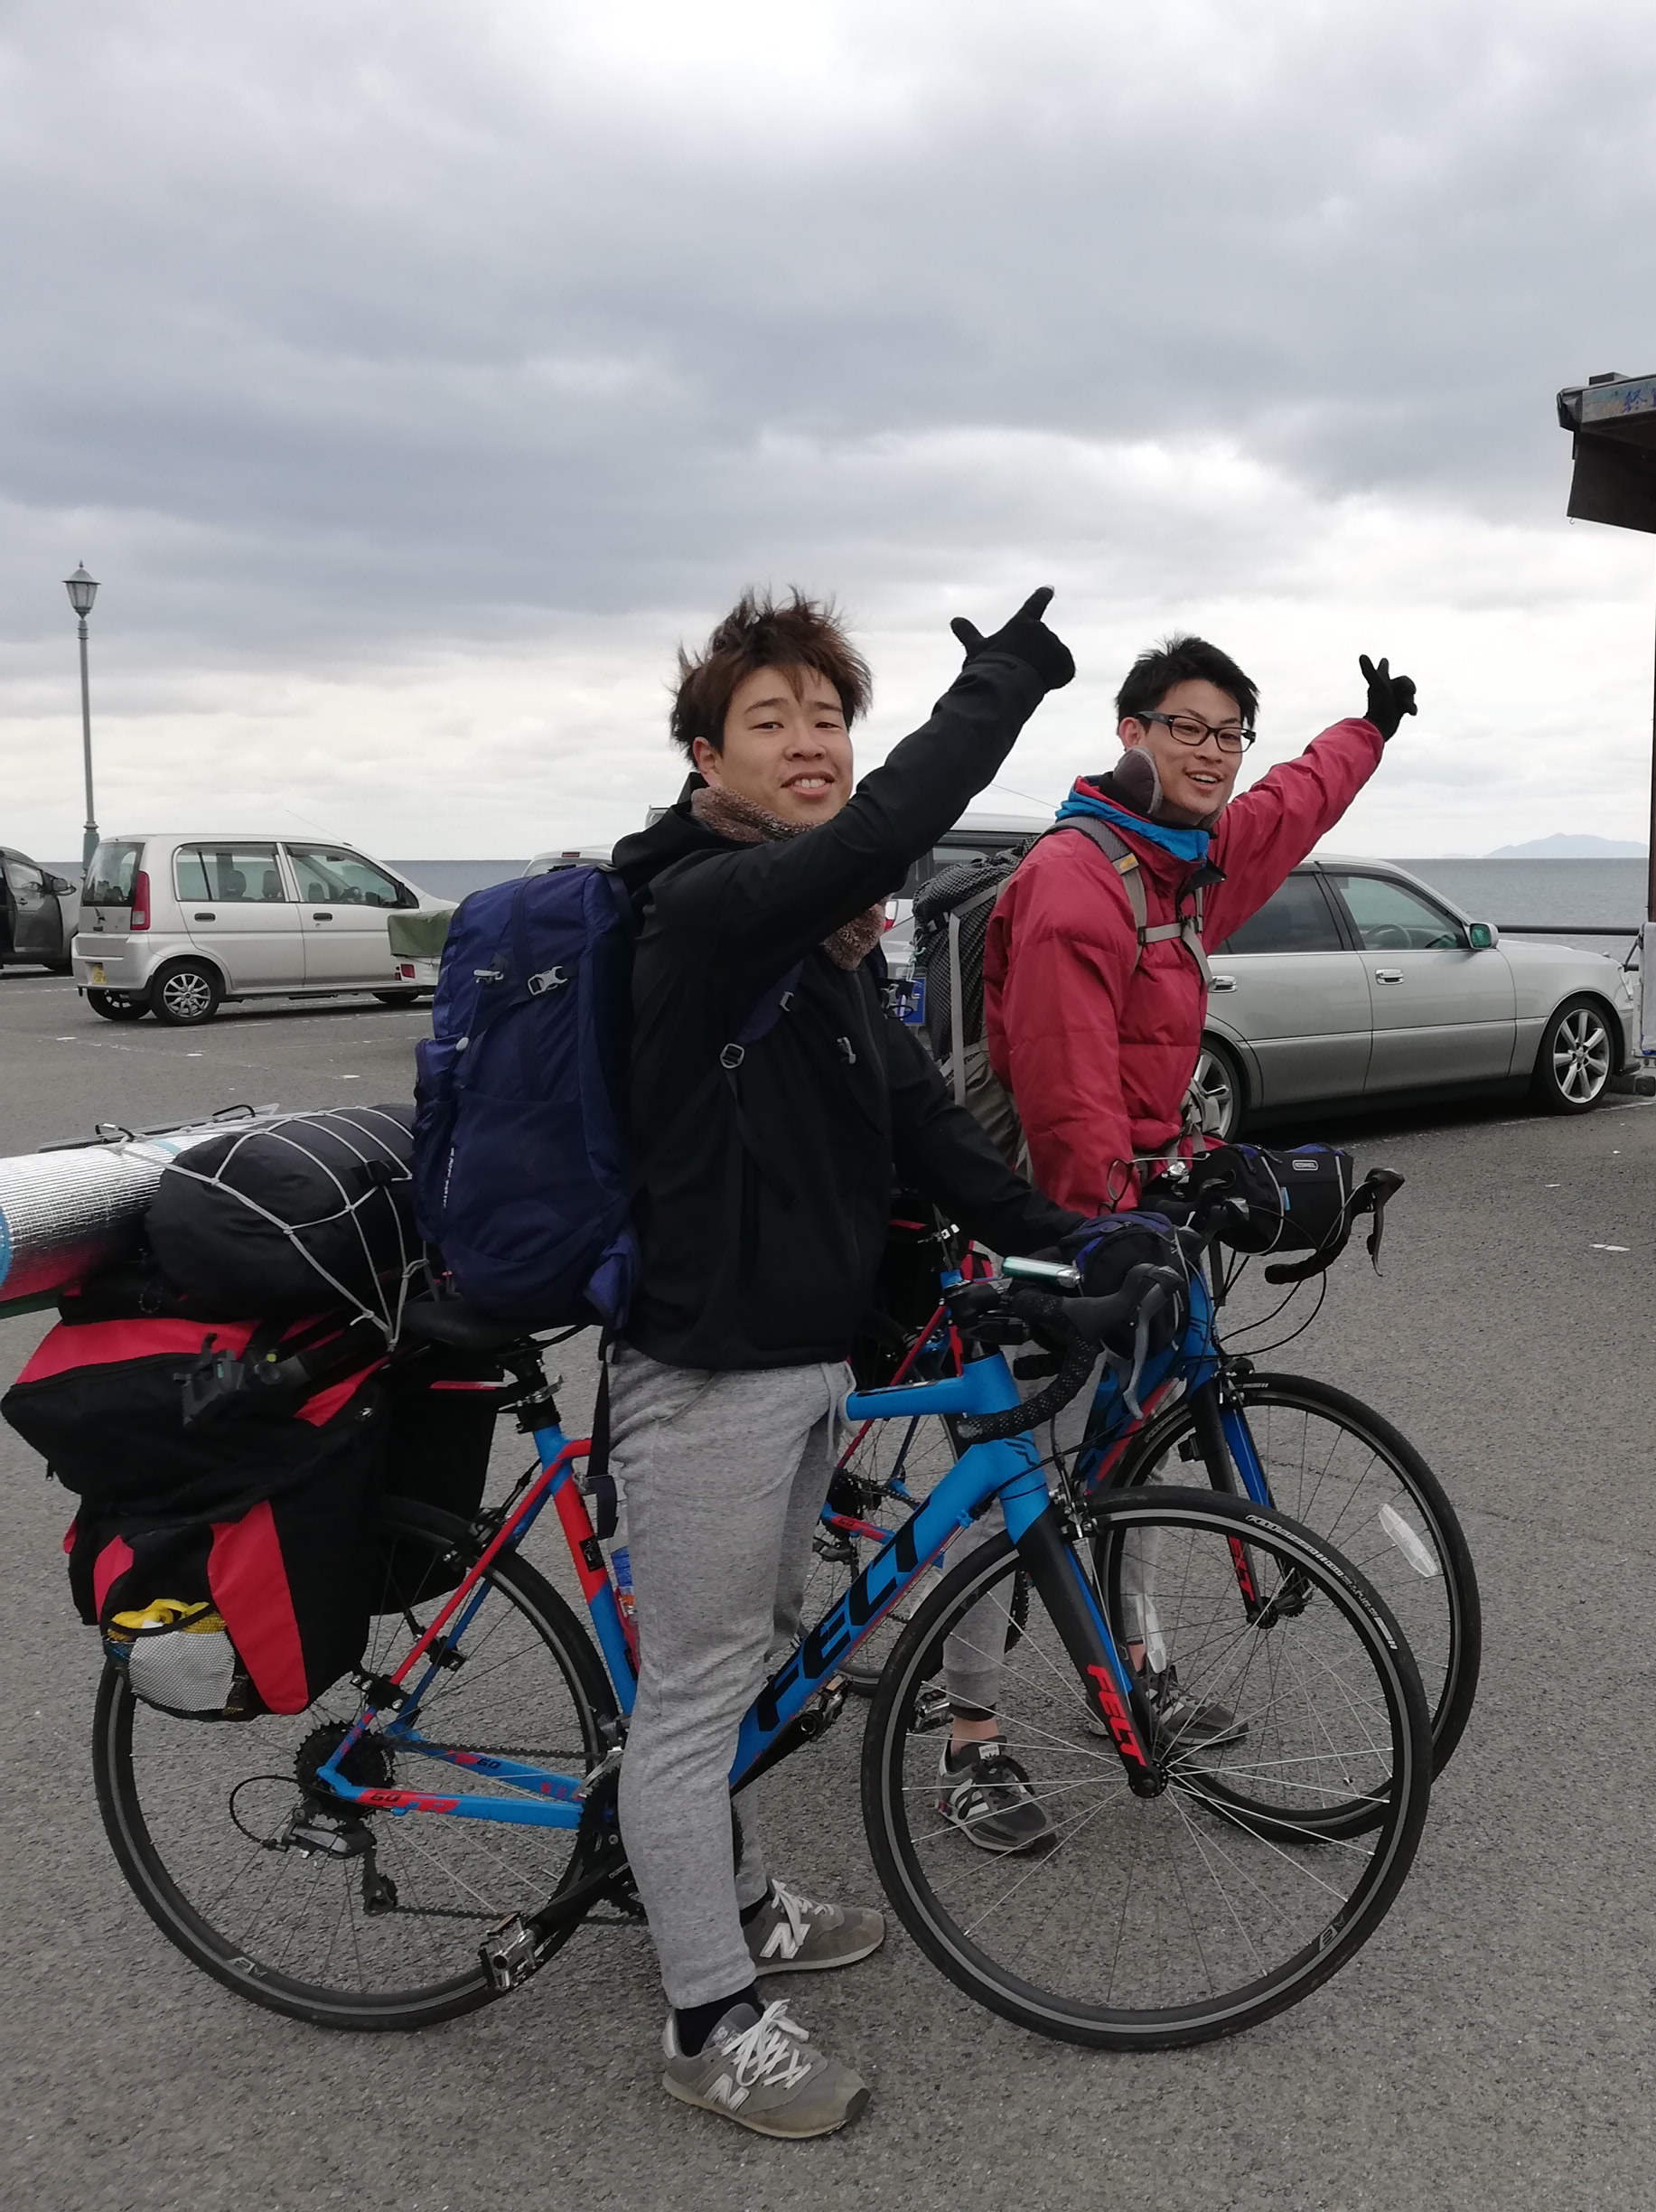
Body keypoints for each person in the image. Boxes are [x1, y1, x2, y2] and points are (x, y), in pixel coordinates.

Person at [603, 586, 1161, 2140]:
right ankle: (707, 2017)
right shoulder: (699, 908)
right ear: (705, 754)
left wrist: (1072, 1238)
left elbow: (922, 1127)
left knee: (766, 1639)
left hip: (801, 1359)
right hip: (705, 1366)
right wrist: (1000, 690)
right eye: (771, 721)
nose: (812, 744)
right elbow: (874, 839)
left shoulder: (829, 947)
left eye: (830, 718)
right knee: (699, 1685)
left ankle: (743, 1898)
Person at [929, 636, 1413, 1849]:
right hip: (1044, 1228)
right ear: (1131, 729)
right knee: (1018, 1482)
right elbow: (1064, 1088)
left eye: (1228, 731)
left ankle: (1135, 1678)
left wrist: (1370, 733)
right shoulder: (1076, 879)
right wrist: (1107, 1229)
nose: (1211, 752)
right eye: (1185, 727)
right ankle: (969, 1737)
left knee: (1132, 1465)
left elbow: (1284, 813)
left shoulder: (1185, 870)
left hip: (1138, 1216)